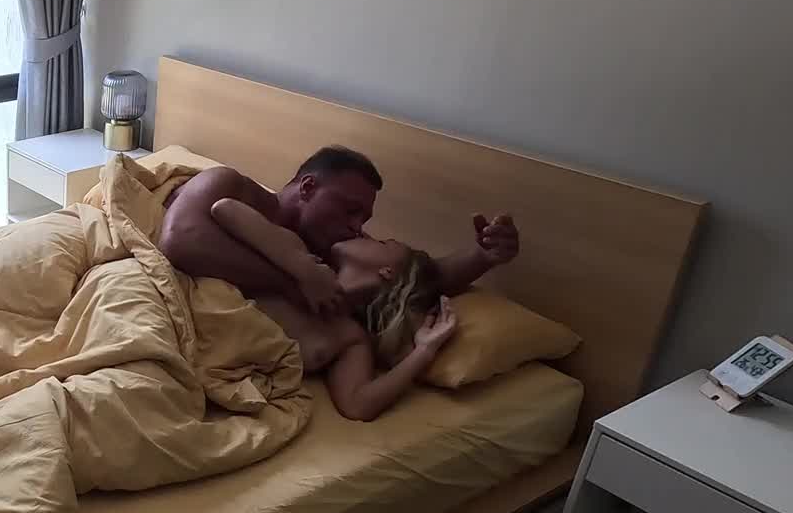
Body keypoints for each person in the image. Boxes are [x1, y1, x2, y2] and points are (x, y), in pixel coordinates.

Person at [155, 146, 520, 421]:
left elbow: (419, 276)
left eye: (365, 220)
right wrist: (296, 279)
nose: (357, 227)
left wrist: (483, 256)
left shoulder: (333, 259)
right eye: (349, 210)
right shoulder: (235, 189)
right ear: (308, 187)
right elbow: (181, 241)